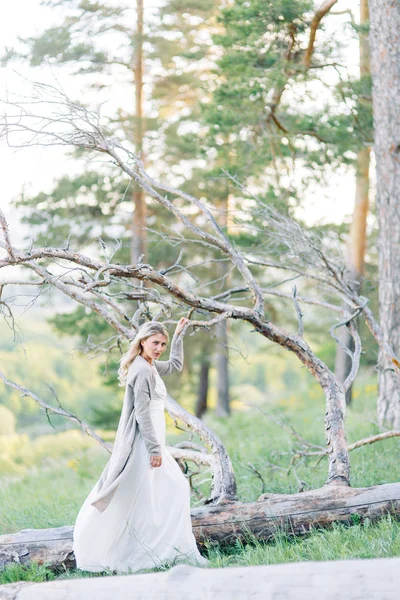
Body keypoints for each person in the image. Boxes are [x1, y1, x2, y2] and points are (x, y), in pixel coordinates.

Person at [72, 318, 208, 574]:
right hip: (146, 441)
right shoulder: (142, 370)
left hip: (153, 439)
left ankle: (157, 549)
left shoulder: (149, 364)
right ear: (142, 341)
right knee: (172, 488)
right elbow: (142, 414)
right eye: (155, 343)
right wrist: (155, 449)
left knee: (151, 494)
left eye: (163, 344)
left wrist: (178, 335)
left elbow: (177, 365)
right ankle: (148, 550)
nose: (159, 348)